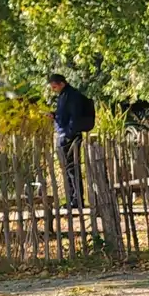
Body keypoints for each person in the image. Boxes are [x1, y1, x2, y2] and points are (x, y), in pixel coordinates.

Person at [48, 73, 94, 209]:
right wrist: (54, 115)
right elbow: (65, 116)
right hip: (63, 134)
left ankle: (77, 199)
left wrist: (69, 134)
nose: (53, 89)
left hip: (70, 136)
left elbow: (75, 117)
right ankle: (71, 198)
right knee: (67, 169)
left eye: (54, 86)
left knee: (72, 168)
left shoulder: (72, 95)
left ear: (62, 83)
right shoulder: (63, 95)